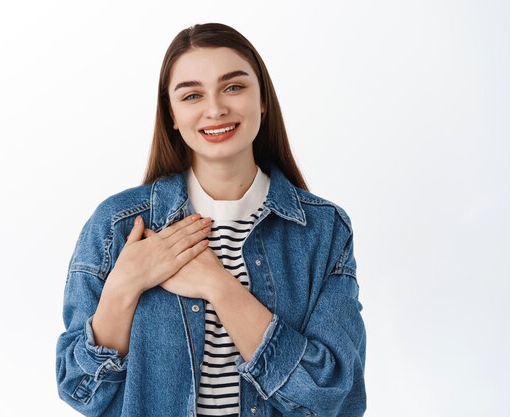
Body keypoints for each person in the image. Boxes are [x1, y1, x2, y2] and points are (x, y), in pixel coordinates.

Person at [56, 22, 366, 417]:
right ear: (172, 114)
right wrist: (124, 285)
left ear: (263, 98)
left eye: (233, 87)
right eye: (192, 95)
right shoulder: (118, 226)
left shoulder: (323, 231)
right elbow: (79, 390)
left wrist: (219, 286)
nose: (215, 108)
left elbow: (334, 397)